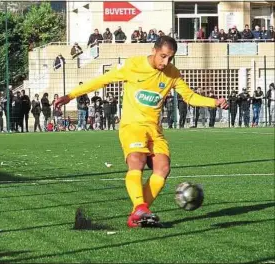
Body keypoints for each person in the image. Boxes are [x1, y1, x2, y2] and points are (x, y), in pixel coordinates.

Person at [55, 36, 228, 228]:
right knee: (136, 160)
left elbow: (189, 96)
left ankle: (137, 214)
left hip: (154, 130)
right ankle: (139, 207)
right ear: (154, 50)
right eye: (163, 56)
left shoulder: (172, 74)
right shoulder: (133, 65)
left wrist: (214, 102)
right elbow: (102, 80)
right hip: (132, 126)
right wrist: (70, 95)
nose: (166, 62)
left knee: (163, 168)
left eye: (170, 58)